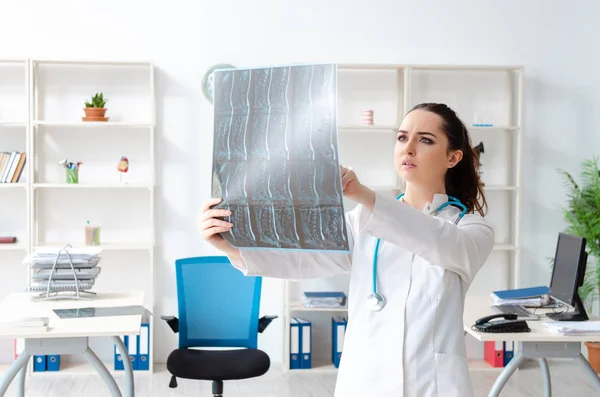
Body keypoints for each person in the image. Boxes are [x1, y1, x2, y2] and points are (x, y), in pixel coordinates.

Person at [198, 103, 495, 397]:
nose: (409, 148)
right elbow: (304, 261)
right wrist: (232, 248)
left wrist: (361, 193)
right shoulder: (362, 221)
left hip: (431, 384)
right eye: (402, 137)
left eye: (425, 140)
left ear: (453, 157)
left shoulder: (470, 230)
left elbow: (434, 238)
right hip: (366, 380)